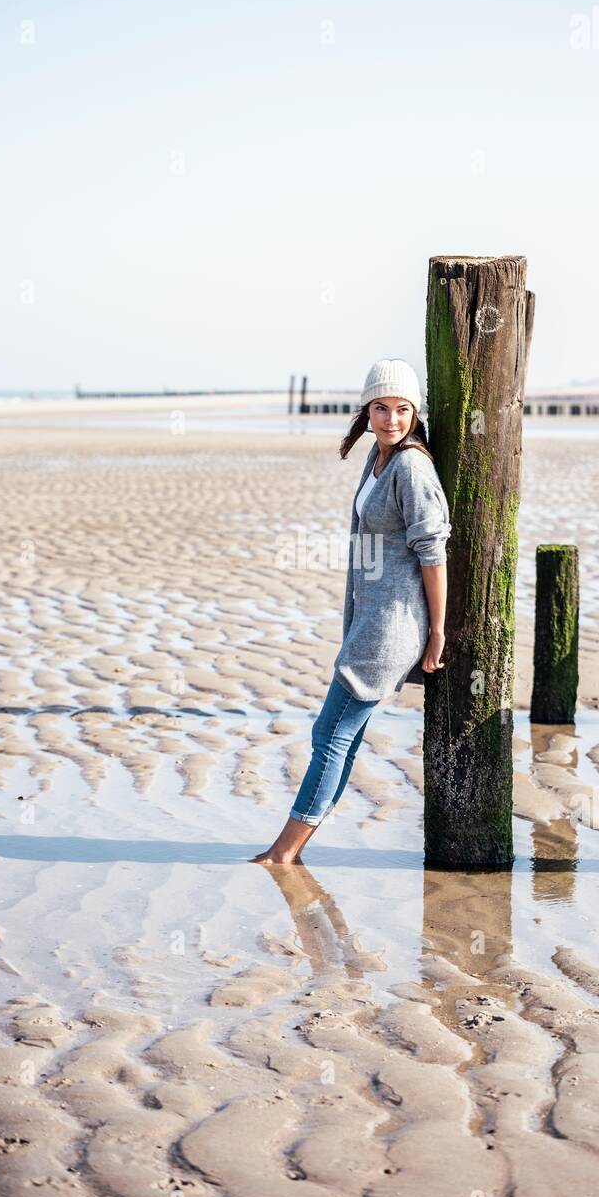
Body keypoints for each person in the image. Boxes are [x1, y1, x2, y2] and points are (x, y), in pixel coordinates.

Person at [251, 358, 451, 865]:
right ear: (366, 411)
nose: (391, 420)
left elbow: (433, 552)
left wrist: (437, 633)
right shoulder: (378, 459)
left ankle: (283, 853)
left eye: (403, 409)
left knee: (330, 735)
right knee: (341, 737)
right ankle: (293, 849)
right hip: (368, 617)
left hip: (392, 626)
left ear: (415, 414)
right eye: (381, 408)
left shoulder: (411, 466)